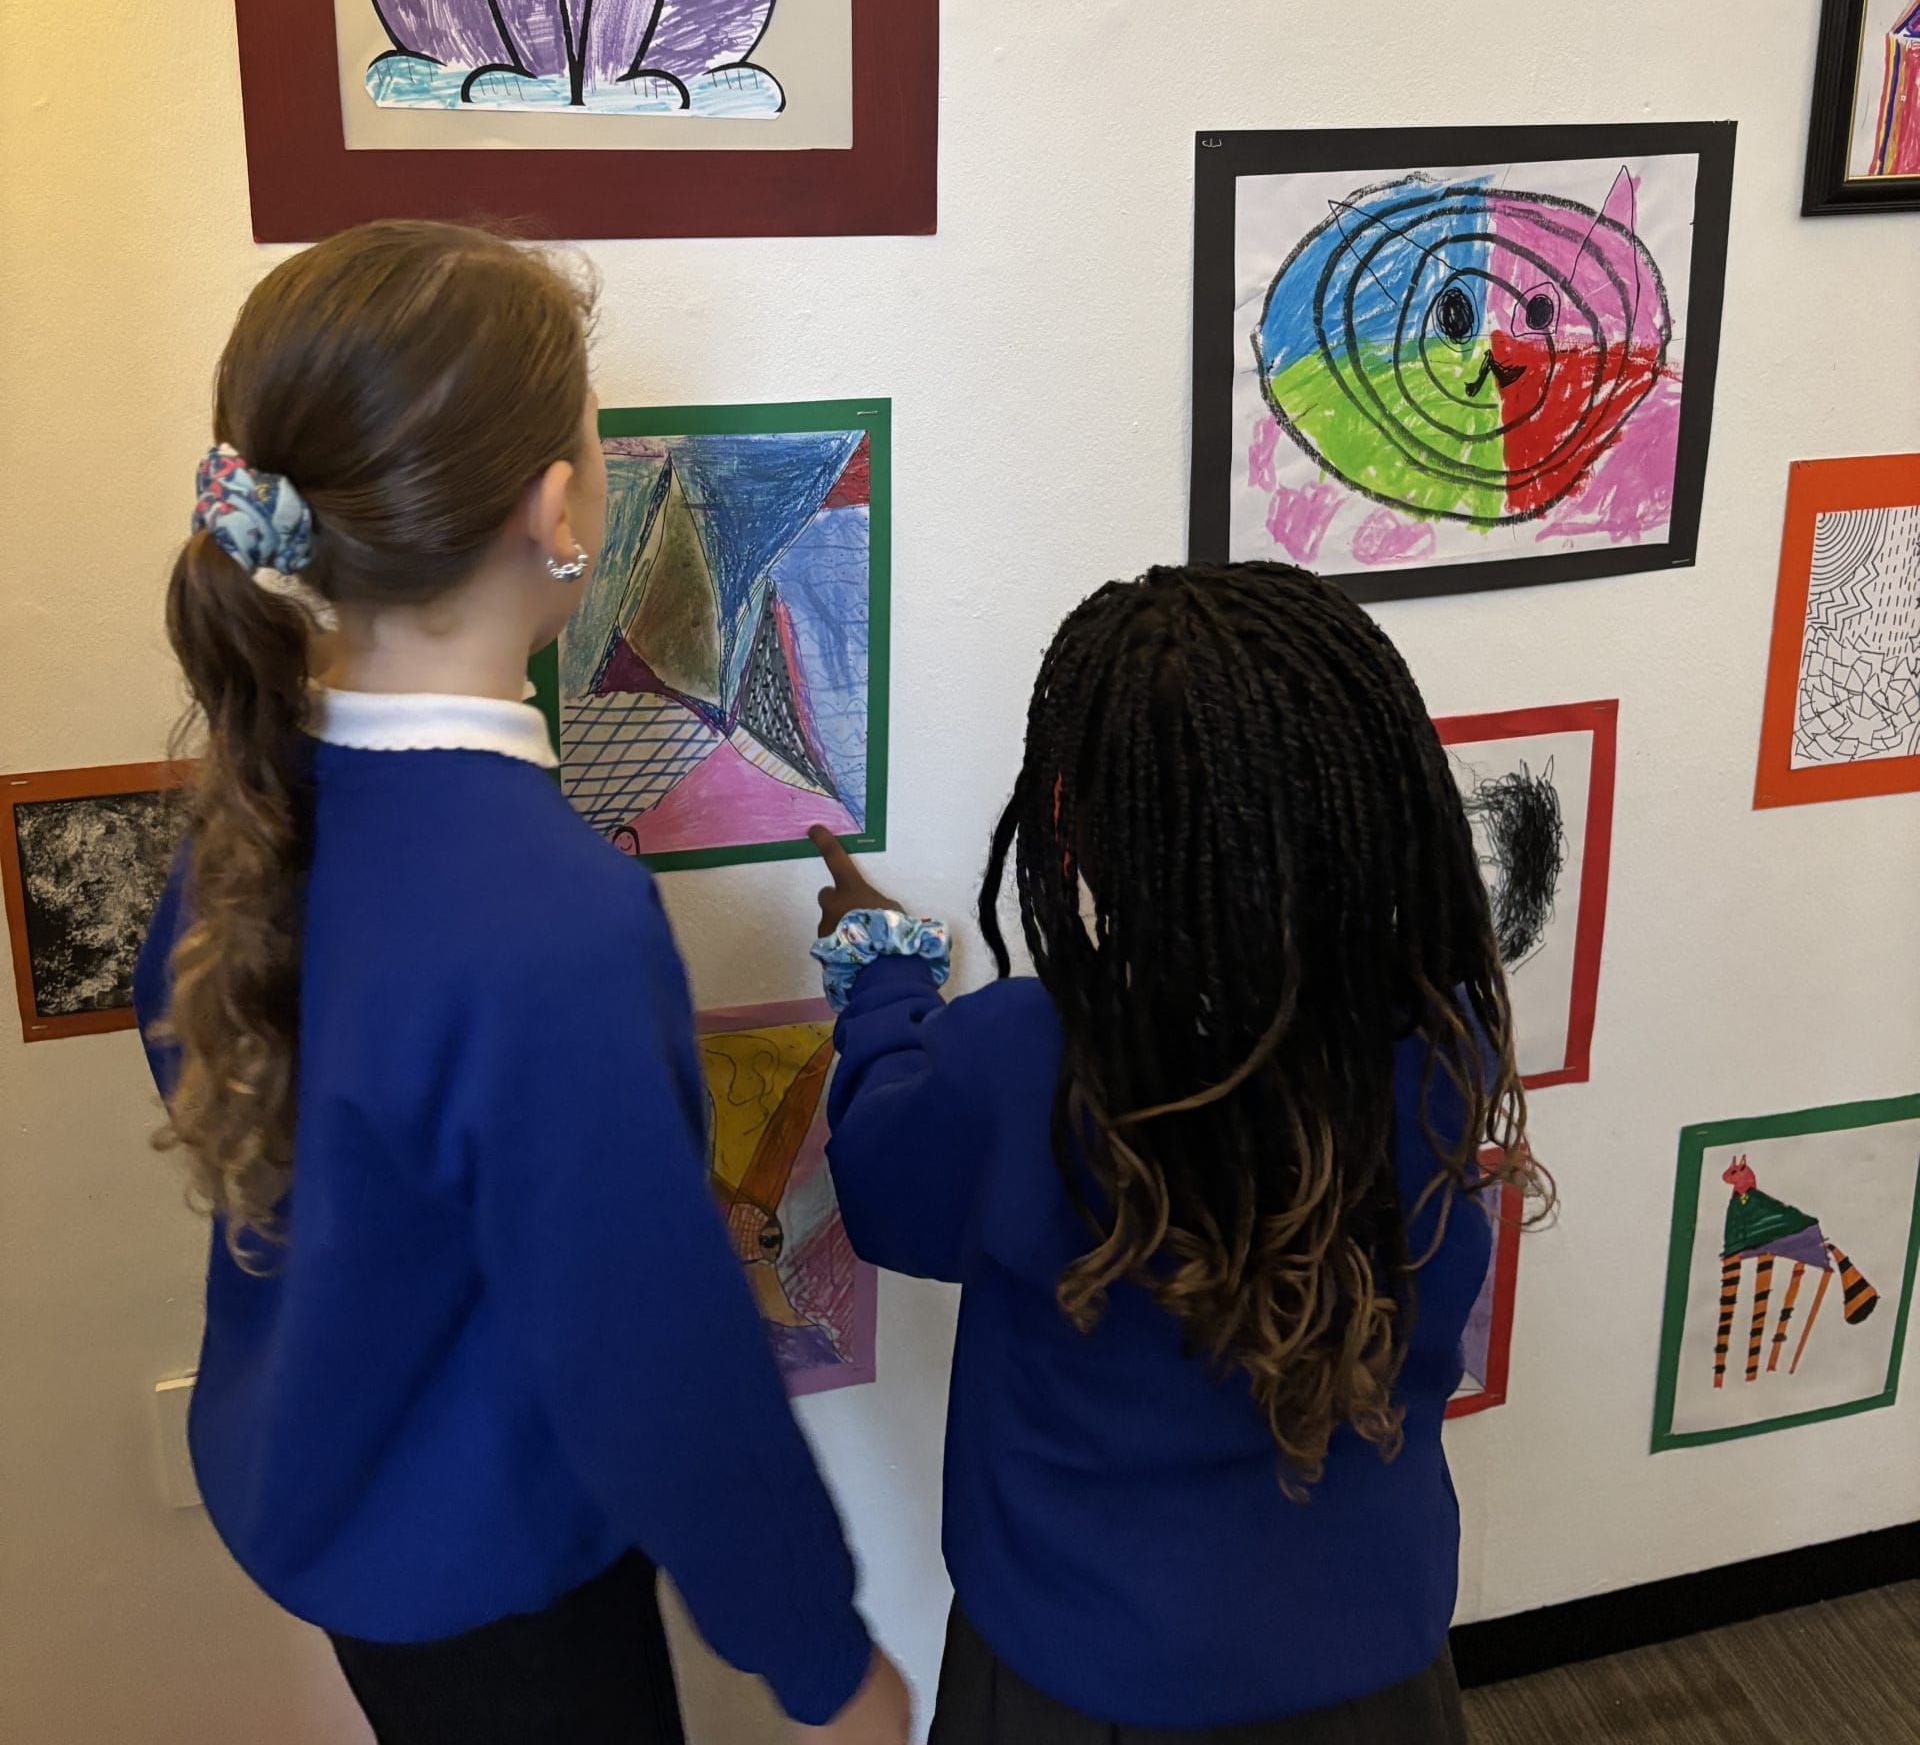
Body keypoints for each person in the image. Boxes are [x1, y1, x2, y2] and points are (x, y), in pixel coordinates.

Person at [135, 219, 908, 1745]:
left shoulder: (251, 809)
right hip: (491, 1582)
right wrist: (824, 1663)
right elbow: (660, 1363)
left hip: (340, 1504)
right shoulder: (552, 921)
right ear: (560, 512)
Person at [808, 560, 1550, 1745]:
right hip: (1375, 1668)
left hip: (1080, 1677)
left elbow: (886, 1187)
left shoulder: (1029, 1061)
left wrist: (883, 981)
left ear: (1075, 828)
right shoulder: (1442, 1031)